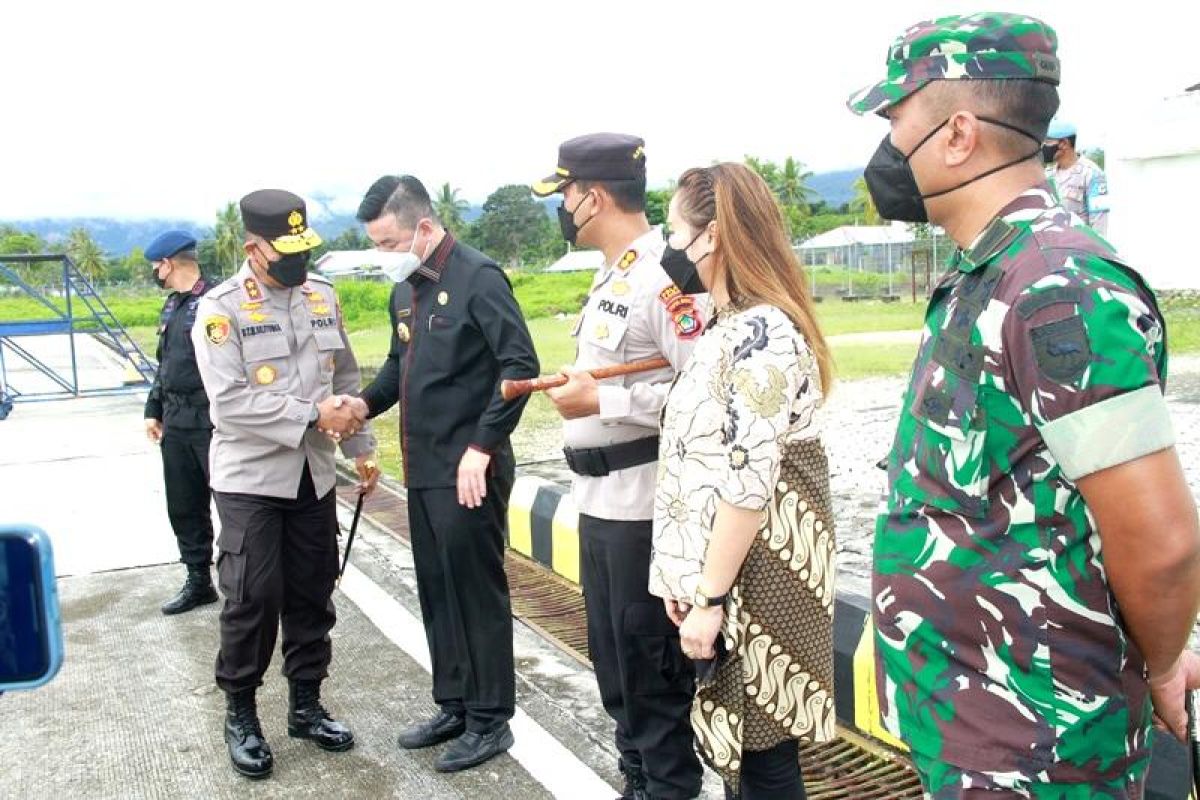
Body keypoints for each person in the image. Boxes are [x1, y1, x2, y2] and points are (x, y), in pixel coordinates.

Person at [847, 11, 1200, 798]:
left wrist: (1165, 658)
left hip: (1041, 749)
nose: (888, 147)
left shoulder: (1058, 287)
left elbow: (1162, 540)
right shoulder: (992, 272)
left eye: (897, 118)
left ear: (959, 133)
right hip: (979, 728)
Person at [648, 163, 836, 800]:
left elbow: (747, 486)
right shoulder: (730, 326)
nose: (670, 248)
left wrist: (708, 598)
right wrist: (686, 578)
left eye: (676, 232)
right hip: (732, 572)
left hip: (759, 574)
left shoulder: (761, 334)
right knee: (748, 759)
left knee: (763, 761)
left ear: (715, 235)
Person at [532, 133, 705, 800]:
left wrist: (603, 397)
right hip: (599, 507)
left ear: (594, 197)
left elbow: (705, 392)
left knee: (651, 687)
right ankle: (637, 785)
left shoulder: (666, 276)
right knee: (617, 680)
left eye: (566, 194)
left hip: (644, 512)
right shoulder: (614, 272)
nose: (564, 206)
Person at [349, 175, 539, 773]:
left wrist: (483, 446)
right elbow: (396, 365)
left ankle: (490, 721)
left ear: (424, 228)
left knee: (475, 593)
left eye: (388, 242)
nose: (384, 256)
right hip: (424, 468)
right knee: (436, 589)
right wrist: (361, 405)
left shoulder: (478, 278)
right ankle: (455, 703)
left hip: (470, 471)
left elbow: (520, 365)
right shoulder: (405, 290)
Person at [192, 189, 380, 780]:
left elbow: (344, 376)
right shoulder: (220, 311)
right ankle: (242, 713)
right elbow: (230, 403)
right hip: (251, 479)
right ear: (254, 248)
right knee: (253, 597)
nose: (300, 263)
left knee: (311, 590)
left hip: (315, 474)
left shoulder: (321, 295)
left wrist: (361, 446)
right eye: (287, 251)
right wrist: (311, 416)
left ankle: (306, 704)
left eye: (306, 248)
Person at [142, 230, 218, 615]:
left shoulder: (215, 302)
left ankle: (247, 582)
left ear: (169, 263)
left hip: (212, 420)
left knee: (233, 503)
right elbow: (164, 365)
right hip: (176, 421)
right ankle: (199, 580)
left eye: (158, 266)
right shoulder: (172, 306)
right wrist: (152, 409)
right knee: (185, 505)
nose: (157, 273)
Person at [1042, 117, 1110, 236]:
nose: (1044, 147)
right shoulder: (1048, 175)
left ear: (1064, 143)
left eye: (1048, 142)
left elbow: (1099, 225)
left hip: (1078, 249)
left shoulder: (1092, 174)